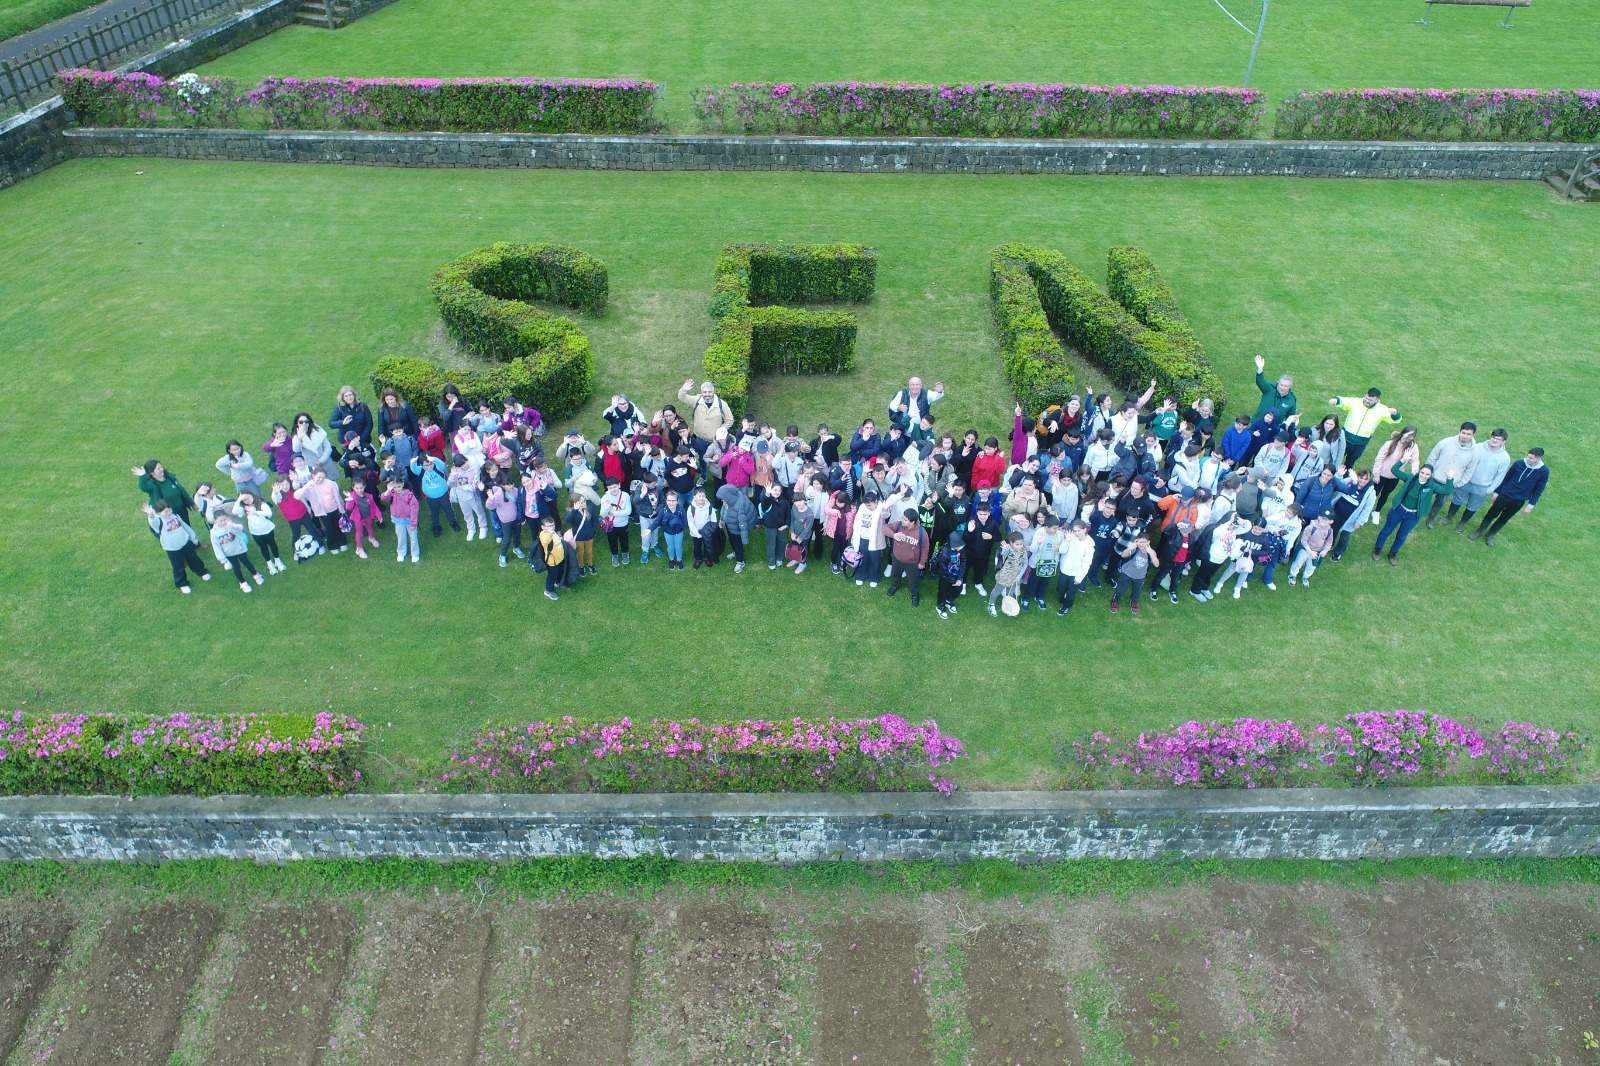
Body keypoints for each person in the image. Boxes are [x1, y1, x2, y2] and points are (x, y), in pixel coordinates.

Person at [1373, 464, 1457, 565]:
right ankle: (1377, 550)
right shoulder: (1410, 478)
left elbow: (1446, 491)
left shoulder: (1432, 486)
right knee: (1387, 530)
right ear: (1419, 471)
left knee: (1401, 536)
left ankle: (1392, 554)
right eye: (1422, 473)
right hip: (1399, 510)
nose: (1424, 476)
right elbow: (1394, 470)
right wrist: (1403, 460)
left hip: (1413, 516)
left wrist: (1450, 478)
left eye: (1427, 474)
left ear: (1431, 475)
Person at [1470, 448, 1548, 546]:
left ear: (1538, 458)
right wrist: (1496, 493)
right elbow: (1506, 478)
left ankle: (1490, 535)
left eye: (1531, 458)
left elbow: (1539, 489)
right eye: (1528, 456)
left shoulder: (1544, 472)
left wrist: (1530, 505)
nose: (1528, 459)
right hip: (1505, 495)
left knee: (1504, 519)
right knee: (1491, 514)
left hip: (1519, 501)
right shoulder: (1519, 464)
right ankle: (1479, 531)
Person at [1446, 428, 1510, 532]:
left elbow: (1500, 476)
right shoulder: (1477, 447)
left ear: (1503, 441)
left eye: (1498, 439)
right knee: (1457, 500)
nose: (1494, 440)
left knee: (1472, 507)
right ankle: (1449, 517)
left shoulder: (1504, 458)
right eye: (1493, 437)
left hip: (1482, 487)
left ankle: (1462, 523)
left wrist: (1489, 490)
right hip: (1466, 482)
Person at [145, 498, 210, 593]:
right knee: (178, 565)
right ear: (159, 513)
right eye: (165, 511)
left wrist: (193, 538)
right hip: (172, 548)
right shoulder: (159, 521)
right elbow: (153, 523)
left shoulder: (175, 516)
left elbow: (185, 527)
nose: (168, 512)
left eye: (169, 509)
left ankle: (201, 571)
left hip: (185, 542)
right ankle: (182, 583)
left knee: (193, 558)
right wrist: (151, 515)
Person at [1328, 389, 1401, 467]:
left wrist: (1395, 413)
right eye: (1366, 398)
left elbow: (1396, 420)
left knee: (1349, 464)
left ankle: (1345, 477)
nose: (1367, 401)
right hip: (1344, 439)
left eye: (1370, 400)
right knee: (1334, 459)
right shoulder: (1356, 402)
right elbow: (1343, 401)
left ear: (1377, 400)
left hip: (1360, 444)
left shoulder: (1382, 410)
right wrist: (1335, 400)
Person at [1425, 423, 1479, 528]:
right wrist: (1428, 473)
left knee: (1440, 503)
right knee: (1424, 496)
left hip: (1449, 484)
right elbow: (1432, 457)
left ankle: (1430, 519)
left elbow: (1469, 471)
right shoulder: (1445, 442)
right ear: (1459, 431)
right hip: (1434, 478)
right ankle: (1415, 512)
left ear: (1473, 435)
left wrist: (1458, 484)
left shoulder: (1474, 452)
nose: (1465, 436)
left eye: (1468, 434)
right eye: (1463, 433)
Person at [883, 507, 930, 606]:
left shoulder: (921, 533)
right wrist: (893, 535)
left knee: (914, 580)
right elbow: (884, 528)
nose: (902, 520)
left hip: (912, 563)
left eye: (905, 519)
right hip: (896, 559)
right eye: (902, 517)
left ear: (912, 522)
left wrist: (922, 562)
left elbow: (925, 548)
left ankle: (915, 594)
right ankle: (895, 585)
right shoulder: (899, 525)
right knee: (895, 574)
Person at [1370, 427, 1420, 519]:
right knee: (1373, 493)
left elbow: (1415, 460)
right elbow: (1379, 459)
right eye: (1409, 435)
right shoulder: (1390, 443)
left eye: (1413, 436)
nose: (1410, 438)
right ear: (1403, 433)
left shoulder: (1413, 446)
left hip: (1395, 477)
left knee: (1385, 494)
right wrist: (1376, 474)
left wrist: (1415, 469)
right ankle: (1366, 510)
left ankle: (1376, 512)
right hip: (1382, 474)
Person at [230, 490, 284, 574]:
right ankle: (269, 563)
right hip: (255, 532)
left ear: (252, 494)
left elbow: (269, 513)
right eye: (244, 500)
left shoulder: (261, 504)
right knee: (263, 547)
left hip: (267, 529)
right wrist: (238, 500)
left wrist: (255, 512)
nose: (247, 500)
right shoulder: (244, 508)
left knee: (272, 544)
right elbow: (234, 511)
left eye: (247, 497)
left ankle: (278, 560)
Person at [1328, 468, 1376, 562]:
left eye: (1366, 479)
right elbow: (1338, 483)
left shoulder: (1371, 493)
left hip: (1351, 519)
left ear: (1369, 480)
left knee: (1344, 536)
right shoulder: (1351, 481)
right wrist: (1339, 475)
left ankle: (1338, 553)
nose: (1362, 481)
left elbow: (1367, 509)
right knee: (1333, 529)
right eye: (1361, 478)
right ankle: (1330, 544)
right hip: (1338, 511)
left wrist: (1359, 522)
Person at [209, 509, 261, 592]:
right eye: (221, 520)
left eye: (225, 519)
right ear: (215, 521)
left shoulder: (230, 524)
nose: (223, 522)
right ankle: (242, 583)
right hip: (229, 554)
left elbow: (240, 529)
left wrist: (232, 526)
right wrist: (223, 559)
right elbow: (216, 546)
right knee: (236, 567)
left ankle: (255, 574)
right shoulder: (214, 532)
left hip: (239, 549)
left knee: (247, 562)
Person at [679, 379, 735, 455]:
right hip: (699, 439)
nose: (707, 394)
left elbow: (729, 420)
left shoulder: (722, 404)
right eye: (704, 392)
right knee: (702, 458)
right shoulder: (697, 400)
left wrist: (720, 431)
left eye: (709, 392)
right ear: (701, 392)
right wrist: (684, 390)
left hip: (715, 441)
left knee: (716, 462)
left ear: (713, 391)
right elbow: (682, 397)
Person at [411, 454, 460, 537]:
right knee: (433, 512)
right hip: (430, 498)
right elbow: (414, 469)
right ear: (422, 465)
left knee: (448, 509)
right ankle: (436, 526)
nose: (429, 467)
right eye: (426, 465)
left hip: (443, 495)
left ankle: (453, 522)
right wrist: (413, 462)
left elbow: (442, 464)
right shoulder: (421, 471)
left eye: (431, 464)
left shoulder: (437, 468)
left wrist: (434, 459)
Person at [131, 459, 196, 520]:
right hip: (167, 514)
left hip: (181, 510)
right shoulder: (152, 484)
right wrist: (142, 476)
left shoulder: (169, 477)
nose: (161, 469)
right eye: (158, 469)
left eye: (161, 467)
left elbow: (181, 490)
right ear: (152, 472)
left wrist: (191, 503)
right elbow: (144, 487)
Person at [1110, 532, 1157, 615]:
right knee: (1120, 589)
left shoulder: (1151, 552)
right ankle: (1115, 600)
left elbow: (1157, 564)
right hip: (1127, 573)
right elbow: (1123, 555)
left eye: (1143, 542)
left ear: (1148, 542)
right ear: (1136, 541)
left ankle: (1134, 601)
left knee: (1137, 591)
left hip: (1140, 576)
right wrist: (1130, 548)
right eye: (1139, 542)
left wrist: (1151, 553)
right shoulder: (1134, 549)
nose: (1141, 544)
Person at [1151, 521, 1195, 605]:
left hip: (1180, 563)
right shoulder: (1174, 535)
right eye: (1184, 531)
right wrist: (1175, 525)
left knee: (1175, 578)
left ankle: (1173, 592)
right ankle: (1153, 589)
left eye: (1187, 531)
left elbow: (1190, 551)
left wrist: (1186, 562)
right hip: (1169, 561)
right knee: (1161, 575)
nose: (1186, 533)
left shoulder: (1192, 538)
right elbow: (1166, 531)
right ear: (1180, 529)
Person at [715, 482, 755, 573]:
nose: (721, 501)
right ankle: (735, 552)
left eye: (723, 499)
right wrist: (722, 519)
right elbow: (724, 510)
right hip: (731, 525)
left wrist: (744, 539)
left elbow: (742, 524)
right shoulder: (728, 501)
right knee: (731, 540)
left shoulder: (739, 507)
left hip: (737, 529)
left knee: (738, 543)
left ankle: (740, 561)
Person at [850, 490, 888, 586]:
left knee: (875, 560)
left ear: (876, 502)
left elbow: (886, 515)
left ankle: (874, 577)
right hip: (863, 538)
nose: (868, 507)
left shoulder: (881, 508)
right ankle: (861, 575)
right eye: (867, 505)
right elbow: (857, 523)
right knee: (863, 558)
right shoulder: (862, 508)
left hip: (875, 539)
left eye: (870, 505)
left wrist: (885, 509)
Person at [987, 531, 1028, 617]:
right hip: (1004, 576)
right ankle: (991, 604)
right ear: (1011, 543)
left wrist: (1019, 576)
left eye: (1021, 544)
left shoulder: (1023, 551)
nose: (1020, 546)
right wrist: (1005, 549)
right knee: (997, 591)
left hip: (1015, 577)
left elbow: (1025, 563)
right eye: (1017, 544)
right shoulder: (1007, 550)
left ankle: (1007, 606)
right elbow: (1003, 554)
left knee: (1010, 592)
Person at [380, 475, 421, 563]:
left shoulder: (409, 495)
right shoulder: (391, 494)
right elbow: (383, 498)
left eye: (399, 486)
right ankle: (401, 553)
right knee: (401, 537)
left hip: (409, 521)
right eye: (395, 487)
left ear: (403, 484)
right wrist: (388, 490)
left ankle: (415, 554)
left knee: (413, 537)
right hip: (398, 520)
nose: (397, 489)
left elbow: (414, 509)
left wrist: (414, 522)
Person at [1288, 513, 1335, 586]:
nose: (1323, 520)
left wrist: (1325, 550)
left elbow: (1329, 542)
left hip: (1317, 552)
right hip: (1305, 549)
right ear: (1319, 517)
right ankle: (1292, 575)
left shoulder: (1330, 531)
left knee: (1312, 566)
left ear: (1331, 521)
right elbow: (1303, 540)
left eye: (1326, 519)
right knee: (1298, 562)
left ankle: (1305, 577)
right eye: (1322, 518)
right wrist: (1310, 551)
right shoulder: (1311, 527)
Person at [1251, 355, 1298, 425]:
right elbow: (1260, 382)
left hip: (1273, 429)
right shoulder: (1269, 389)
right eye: (1281, 385)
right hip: (1257, 423)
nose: (1283, 387)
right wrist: (1260, 368)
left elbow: (1290, 417)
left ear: (1290, 386)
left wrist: (1293, 420)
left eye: (1285, 386)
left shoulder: (1291, 400)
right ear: (1277, 383)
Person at [291, 413, 341, 479]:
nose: (304, 424)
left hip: (326, 462)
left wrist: (322, 460)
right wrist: (300, 439)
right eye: (301, 422)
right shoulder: (296, 436)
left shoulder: (318, 430)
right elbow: (296, 450)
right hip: (312, 465)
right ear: (297, 423)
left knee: (332, 483)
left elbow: (328, 447)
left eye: (306, 421)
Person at [931, 528, 966, 619]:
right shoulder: (944, 553)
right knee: (943, 591)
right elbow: (944, 570)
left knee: (958, 589)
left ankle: (949, 601)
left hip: (957, 575)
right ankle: (940, 606)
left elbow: (963, 562)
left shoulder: (961, 550)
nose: (958, 548)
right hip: (946, 577)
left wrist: (959, 578)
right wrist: (953, 580)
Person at [598, 477, 633, 566]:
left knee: (624, 540)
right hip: (611, 525)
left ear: (619, 485)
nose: (613, 489)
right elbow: (602, 514)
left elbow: (628, 512)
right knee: (612, 541)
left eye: (615, 487)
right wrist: (606, 508)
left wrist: (613, 512)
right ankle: (614, 555)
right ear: (607, 488)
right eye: (610, 488)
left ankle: (625, 552)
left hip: (623, 524)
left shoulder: (625, 496)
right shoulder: (605, 498)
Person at [344, 480, 381, 559]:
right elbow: (348, 508)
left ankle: (371, 538)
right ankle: (359, 549)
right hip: (359, 519)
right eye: (357, 488)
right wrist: (350, 499)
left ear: (364, 487)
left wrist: (379, 515)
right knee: (359, 532)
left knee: (370, 528)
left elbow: (374, 506)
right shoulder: (352, 496)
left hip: (367, 516)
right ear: (353, 488)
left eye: (361, 488)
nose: (359, 490)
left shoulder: (368, 496)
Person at [567, 494, 600, 576]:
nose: (584, 503)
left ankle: (590, 564)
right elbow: (567, 519)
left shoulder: (589, 509)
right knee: (580, 552)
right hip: (579, 538)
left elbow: (594, 520)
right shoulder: (573, 513)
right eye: (581, 502)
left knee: (589, 551)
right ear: (575, 504)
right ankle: (581, 565)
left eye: (584, 501)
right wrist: (575, 510)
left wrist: (593, 530)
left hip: (589, 536)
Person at [535, 515, 566, 599]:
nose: (551, 527)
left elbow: (557, 540)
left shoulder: (553, 532)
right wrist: (550, 534)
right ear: (543, 527)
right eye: (549, 526)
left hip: (559, 559)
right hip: (552, 562)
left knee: (559, 571)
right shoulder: (544, 535)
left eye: (553, 525)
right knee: (551, 576)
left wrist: (561, 538)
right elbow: (545, 542)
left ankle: (557, 582)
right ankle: (548, 590)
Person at [659, 490, 688, 570]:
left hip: (678, 533)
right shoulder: (663, 511)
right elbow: (657, 521)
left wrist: (679, 527)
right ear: (666, 501)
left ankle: (679, 560)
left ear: (677, 501)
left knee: (678, 547)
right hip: (668, 533)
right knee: (670, 547)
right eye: (669, 500)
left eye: (673, 500)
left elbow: (685, 521)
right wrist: (649, 529)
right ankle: (671, 559)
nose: (671, 503)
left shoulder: (681, 510)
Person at [687, 487, 716, 569]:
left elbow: (713, 520)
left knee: (708, 545)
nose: (701, 498)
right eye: (699, 496)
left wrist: (710, 531)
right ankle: (698, 558)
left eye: (703, 496)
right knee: (697, 546)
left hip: (707, 532)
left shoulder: (710, 507)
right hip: (696, 533)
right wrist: (697, 534)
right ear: (694, 497)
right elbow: (691, 523)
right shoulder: (691, 509)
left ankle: (707, 558)